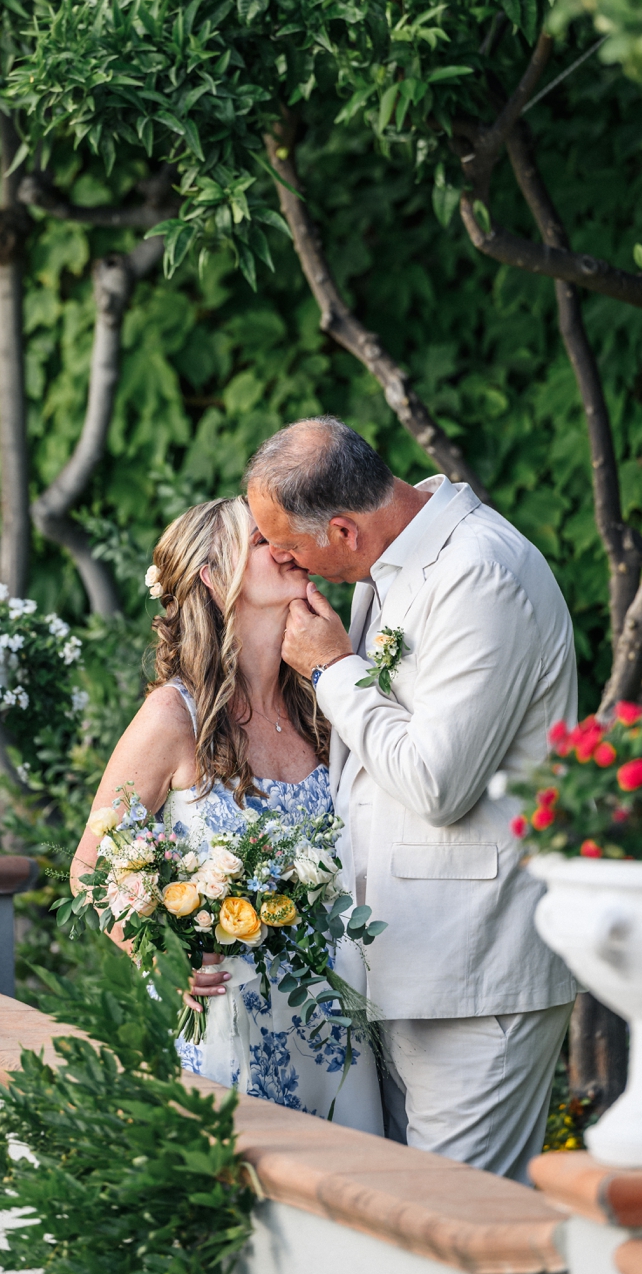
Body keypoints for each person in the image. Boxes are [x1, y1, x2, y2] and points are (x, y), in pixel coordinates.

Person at [245, 417, 577, 1185]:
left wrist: (334, 672)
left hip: (474, 974)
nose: (285, 562)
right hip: (401, 967)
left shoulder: (481, 574)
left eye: (287, 545)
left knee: (458, 1234)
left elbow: (437, 782)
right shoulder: (389, 566)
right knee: (405, 1225)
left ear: (343, 529)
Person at [70, 495, 383, 1132]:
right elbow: (89, 869)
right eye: (265, 541)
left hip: (337, 1016)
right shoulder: (173, 717)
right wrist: (164, 955)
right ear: (216, 577)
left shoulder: (323, 704)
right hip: (232, 1023)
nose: (289, 547)